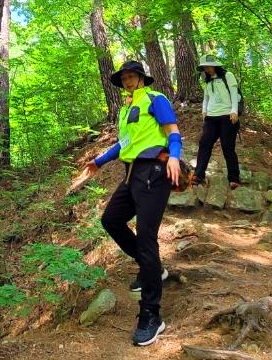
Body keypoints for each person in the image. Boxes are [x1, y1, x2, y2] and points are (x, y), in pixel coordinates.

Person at [81, 59, 182, 347]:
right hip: (130, 174)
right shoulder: (125, 110)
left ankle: (151, 314)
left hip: (153, 170)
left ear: (141, 77)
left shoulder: (155, 99)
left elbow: (172, 131)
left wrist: (174, 156)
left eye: (131, 75)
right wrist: (99, 161)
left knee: (147, 239)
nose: (126, 80)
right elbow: (123, 143)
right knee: (110, 219)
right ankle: (151, 266)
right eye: (123, 76)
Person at [191, 54, 241, 189]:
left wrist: (234, 111)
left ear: (215, 65)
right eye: (204, 67)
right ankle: (198, 175)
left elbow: (234, 93)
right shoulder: (207, 80)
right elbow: (206, 98)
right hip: (211, 117)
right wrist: (204, 111)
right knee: (204, 144)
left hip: (227, 116)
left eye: (208, 66)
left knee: (228, 146)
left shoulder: (228, 75)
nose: (206, 69)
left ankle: (234, 177)